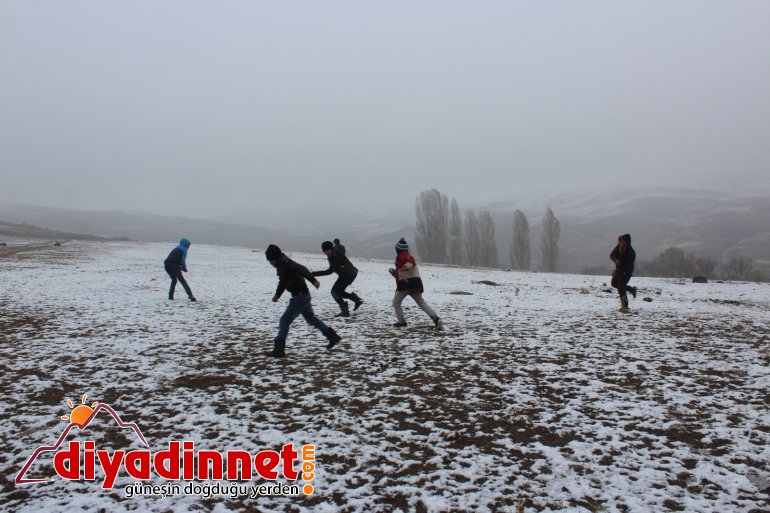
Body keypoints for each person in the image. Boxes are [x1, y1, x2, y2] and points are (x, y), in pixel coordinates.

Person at [265, 244, 341, 357]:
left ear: (274, 258)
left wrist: (313, 280)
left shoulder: (285, 263)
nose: (270, 263)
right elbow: (283, 281)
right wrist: (278, 294)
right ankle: (333, 337)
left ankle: (279, 350)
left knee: (284, 320)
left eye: (270, 260)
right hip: (303, 295)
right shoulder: (282, 263)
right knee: (311, 318)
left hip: (300, 297)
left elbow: (302, 269)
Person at [388, 237, 442, 329]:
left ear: (398, 249)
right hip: (415, 284)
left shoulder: (406, 257)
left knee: (396, 303)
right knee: (421, 303)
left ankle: (401, 322)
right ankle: (436, 319)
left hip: (405, 285)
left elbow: (410, 264)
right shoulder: (403, 257)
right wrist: (394, 272)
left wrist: (404, 268)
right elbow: (401, 273)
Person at [312, 241, 363, 317]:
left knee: (334, 292)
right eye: (325, 251)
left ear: (331, 249)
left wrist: (314, 274)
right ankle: (356, 300)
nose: (326, 253)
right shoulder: (334, 253)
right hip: (350, 273)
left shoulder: (334, 256)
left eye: (328, 250)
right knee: (339, 292)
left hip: (347, 275)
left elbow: (329, 271)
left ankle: (345, 311)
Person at [610, 233, 637, 313]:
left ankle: (624, 306)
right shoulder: (618, 248)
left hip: (627, 271)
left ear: (626, 242)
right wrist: (615, 260)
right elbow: (612, 255)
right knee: (614, 283)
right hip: (619, 270)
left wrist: (616, 272)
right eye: (619, 242)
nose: (620, 243)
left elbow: (628, 266)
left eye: (621, 242)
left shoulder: (631, 252)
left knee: (621, 286)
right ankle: (631, 289)